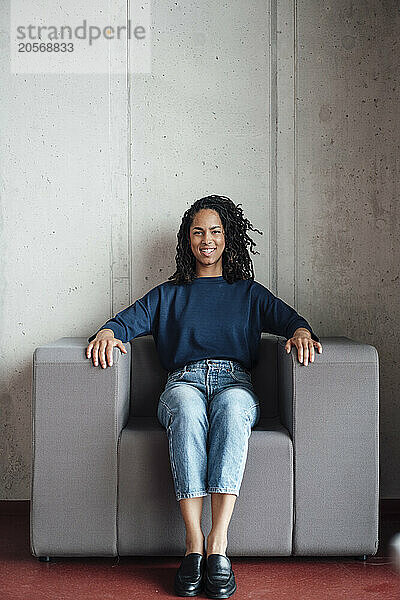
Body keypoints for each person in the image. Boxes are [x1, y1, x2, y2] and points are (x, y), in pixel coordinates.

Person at [86, 195, 322, 598]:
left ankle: (218, 545)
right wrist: (107, 333)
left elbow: (292, 321)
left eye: (215, 231)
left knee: (232, 411)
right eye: (198, 232)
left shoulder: (248, 293)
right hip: (184, 381)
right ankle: (193, 545)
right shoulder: (169, 294)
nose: (207, 239)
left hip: (235, 382)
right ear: (187, 240)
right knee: (187, 408)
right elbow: (122, 322)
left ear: (228, 238)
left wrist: (301, 332)